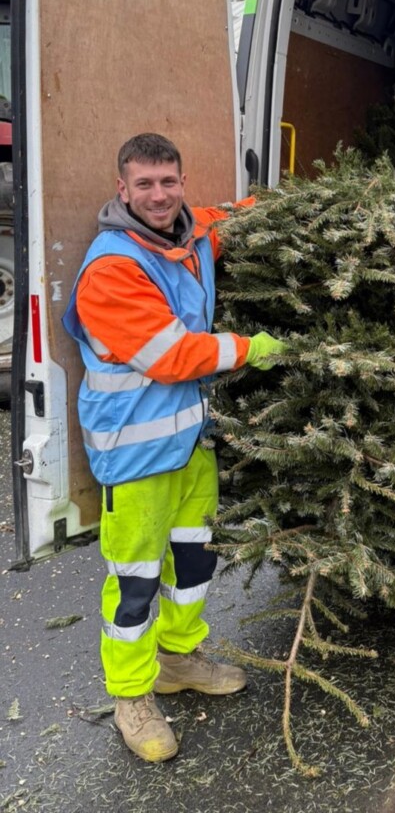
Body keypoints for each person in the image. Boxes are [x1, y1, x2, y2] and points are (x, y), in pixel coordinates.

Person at [62, 133, 284, 763]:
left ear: (182, 184)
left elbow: (228, 217)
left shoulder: (187, 235)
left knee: (192, 564)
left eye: (168, 183)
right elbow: (171, 356)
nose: (158, 196)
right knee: (134, 581)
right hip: (133, 453)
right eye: (144, 185)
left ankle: (179, 659)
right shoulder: (113, 268)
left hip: (190, 441)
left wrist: (277, 204)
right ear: (122, 190)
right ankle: (131, 695)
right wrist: (251, 348)